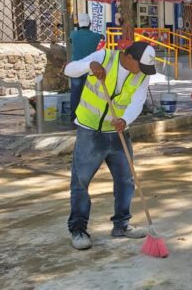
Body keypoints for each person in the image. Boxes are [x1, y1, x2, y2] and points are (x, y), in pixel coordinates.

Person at [63, 41, 157, 250]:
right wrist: (90, 66)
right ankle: (78, 229)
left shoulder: (142, 74)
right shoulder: (105, 57)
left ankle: (121, 225)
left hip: (117, 132)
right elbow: (69, 69)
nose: (142, 72)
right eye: (140, 66)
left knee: (126, 179)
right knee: (81, 181)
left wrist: (125, 120)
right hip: (90, 130)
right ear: (129, 57)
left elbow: (137, 102)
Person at [68, 14, 103, 122]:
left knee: (75, 92)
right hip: (90, 68)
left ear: (79, 24)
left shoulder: (73, 34)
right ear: (90, 24)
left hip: (76, 68)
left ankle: (74, 115)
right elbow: (102, 37)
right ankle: (89, 115)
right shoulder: (96, 36)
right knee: (90, 93)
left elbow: (70, 40)